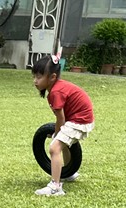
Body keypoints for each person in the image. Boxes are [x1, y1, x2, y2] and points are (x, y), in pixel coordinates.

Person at [31, 54, 94, 197]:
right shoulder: (57, 88)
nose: (35, 81)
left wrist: (56, 134)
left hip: (80, 120)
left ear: (52, 77)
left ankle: (55, 187)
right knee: (62, 143)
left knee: (54, 148)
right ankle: (68, 172)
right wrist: (57, 132)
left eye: (39, 77)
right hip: (81, 119)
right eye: (34, 77)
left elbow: (61, 118)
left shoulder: (56, 92)